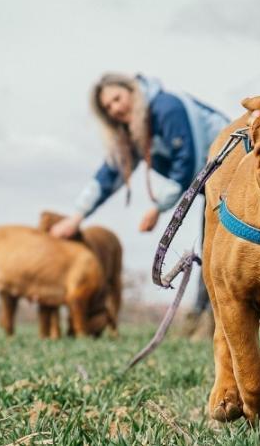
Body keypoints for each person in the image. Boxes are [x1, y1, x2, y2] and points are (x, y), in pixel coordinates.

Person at [50, 73, 228, 335]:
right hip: (213, 185)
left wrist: (158, 208)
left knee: (216, 249)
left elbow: (186, 160)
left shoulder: (167, 108)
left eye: (117, 99)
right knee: (212, 247)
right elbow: (111, 173)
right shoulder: (136, 130)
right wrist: (77, 216)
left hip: (233, 175)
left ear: (132, 91)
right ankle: (203, 321)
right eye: (108, 108)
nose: (115, 109)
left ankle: (207, 321)